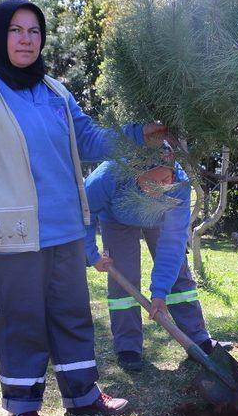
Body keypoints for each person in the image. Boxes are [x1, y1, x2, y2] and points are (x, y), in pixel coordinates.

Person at [0, 0, 170, 416]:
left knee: (71, 314)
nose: (26, 39)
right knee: (21, 318)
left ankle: (82, 393)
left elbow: (88, 139)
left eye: (34, 31)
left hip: (65, 228)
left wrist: (139, 134)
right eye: (16, 30)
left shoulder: (55, 90)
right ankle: (24, 408)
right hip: (12, 236)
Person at [84, 150, 228, 372]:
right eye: (153, 182)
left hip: (159, 218)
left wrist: (159, 292)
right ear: (136, 173)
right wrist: (92, 255)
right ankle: (128, 346)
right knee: (124, 279)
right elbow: (84, 215)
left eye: (166, 179)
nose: (161, 187)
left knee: (178, 273)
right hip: (116, 219)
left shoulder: (178, 185)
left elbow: (173, 243)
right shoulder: (106, 177)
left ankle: (197, 338)